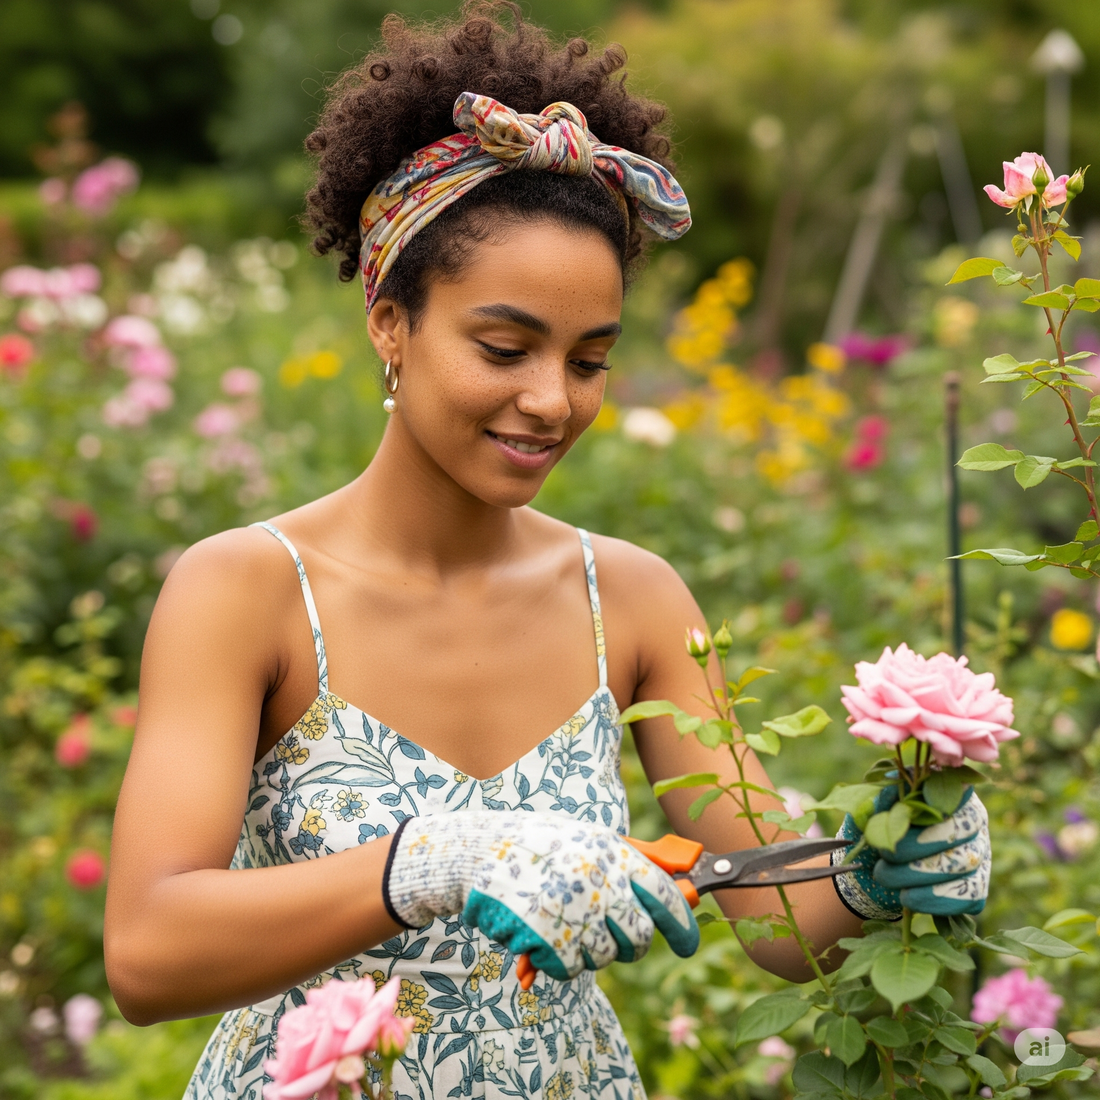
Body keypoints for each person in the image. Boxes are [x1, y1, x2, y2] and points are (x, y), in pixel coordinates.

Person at [103, 5, 992, 1099]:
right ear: (390, 321)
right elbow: (147, 949)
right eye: (503, 345)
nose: (548, 401)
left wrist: (880, 865)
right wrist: (431, 860)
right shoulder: (246, 589)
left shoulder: (629, 597)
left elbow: (772, 915)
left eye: (589, 360)